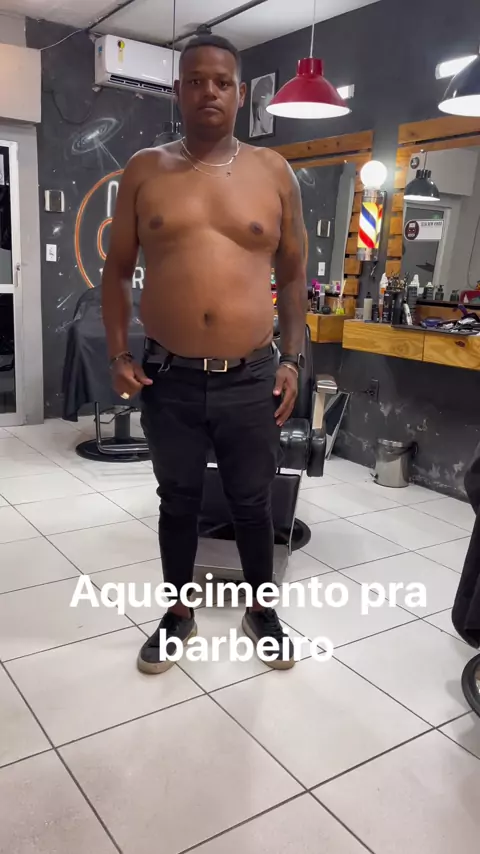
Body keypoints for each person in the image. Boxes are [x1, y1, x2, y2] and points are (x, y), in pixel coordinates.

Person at [101, 34, 307, 673]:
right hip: (170, 376)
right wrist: (118, 353)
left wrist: (293, 360)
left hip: (251, 374)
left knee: (252, 501)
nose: (208, 91)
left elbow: (293, 275)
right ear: (178, 91)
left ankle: (261, 611)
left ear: (241, 94)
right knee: (178, 501)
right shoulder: (145, 170)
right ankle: (178, 614)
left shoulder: (274, 172)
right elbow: (117, 271)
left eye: (221, 81)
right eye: (195, 81)